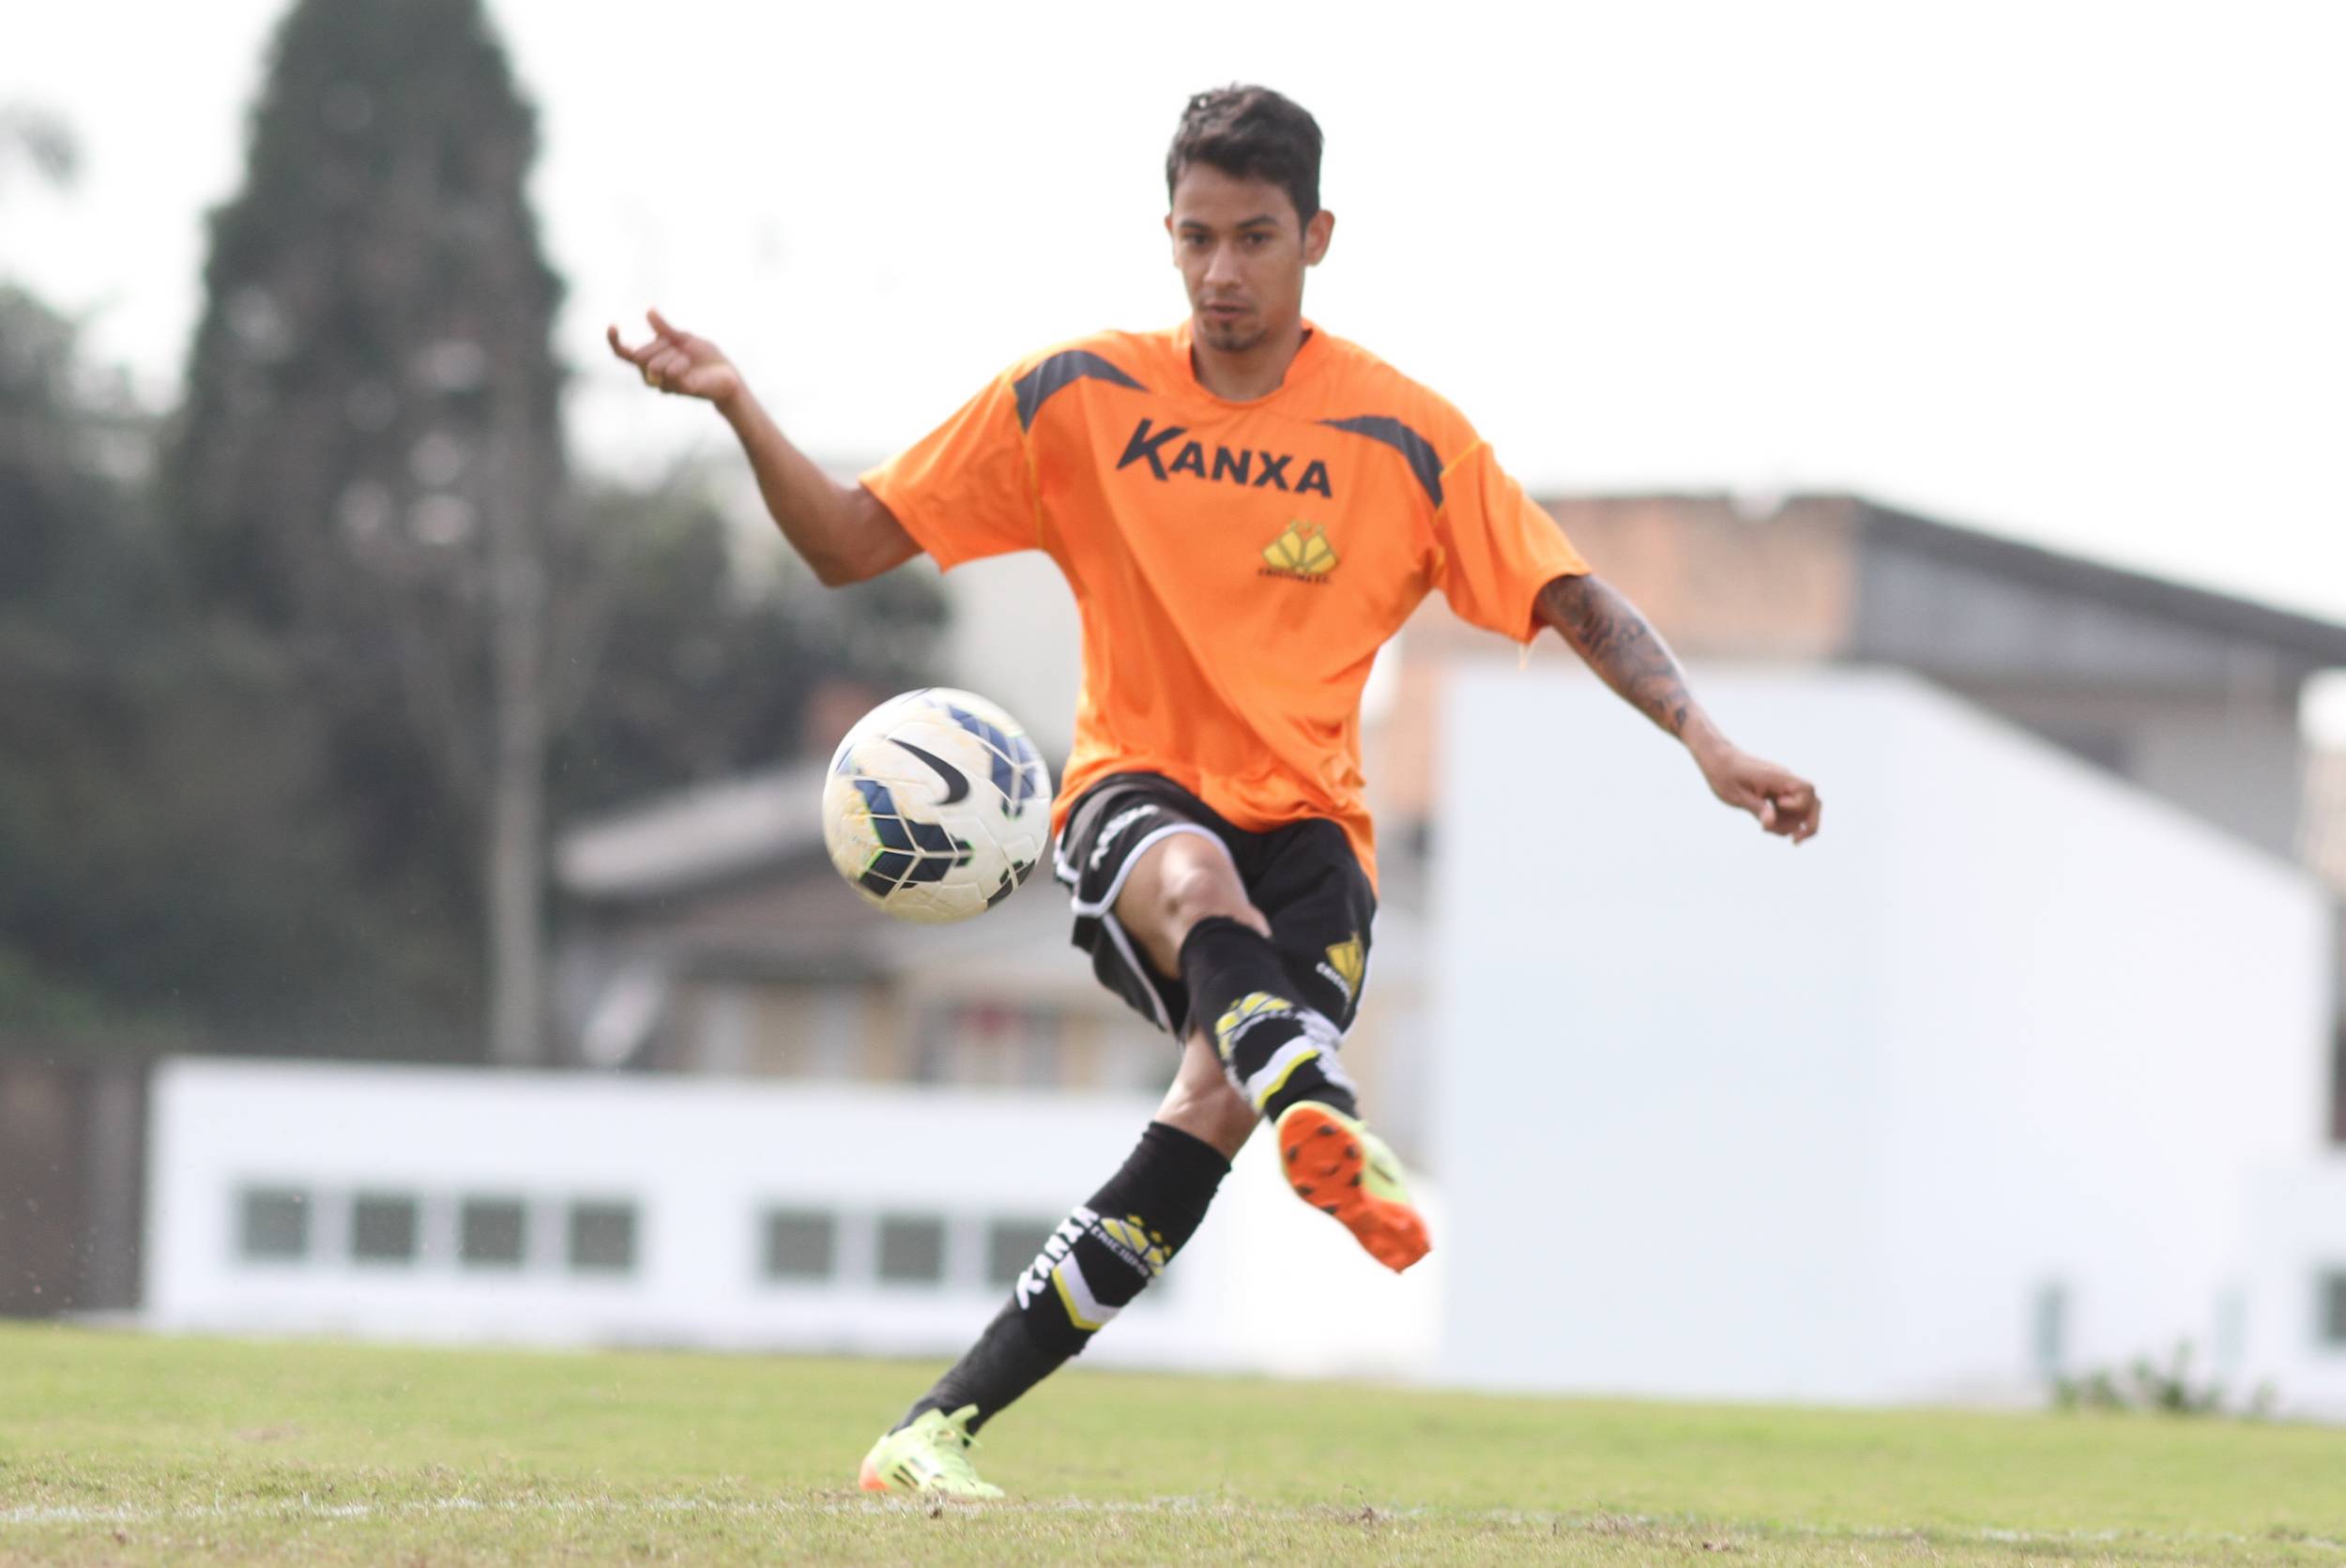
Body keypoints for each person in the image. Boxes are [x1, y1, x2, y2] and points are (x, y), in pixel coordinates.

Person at [609, 84, 1821, 1499]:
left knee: (1205, 1115)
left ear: (1317, 236)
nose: (1222, 273)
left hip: (1317, 841)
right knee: (1196, 888)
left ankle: (929, 1433)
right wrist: (739, 405)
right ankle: (1311, 1084)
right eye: (1196, 239)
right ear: (1167, 235)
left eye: (1254, 239)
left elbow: (1572, 592)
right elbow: (848, 541)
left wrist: (1704, 738)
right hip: (1134, 799)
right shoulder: (1078, 395)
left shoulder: (1404, 435)